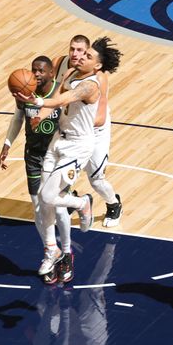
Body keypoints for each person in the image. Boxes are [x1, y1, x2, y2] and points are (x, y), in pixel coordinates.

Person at [17, 37, 122, 282]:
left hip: (78, 145)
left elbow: (64, 99)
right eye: (81, 54)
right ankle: (51, 249)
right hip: (59, 139)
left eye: (87, 56)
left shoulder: (91, 85)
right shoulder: (71, 72)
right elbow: (57, 94)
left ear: (97, 66)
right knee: (46, 203)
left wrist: (37, 102)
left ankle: (83, 202)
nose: (81, 57)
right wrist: (41, 115)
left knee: (47, 196)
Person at [0, 56, 63, 281]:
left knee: (55, 206)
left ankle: (64, 250)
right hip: (33, 156)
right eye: (34, 70)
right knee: (38, 208)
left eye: (41, 71)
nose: (36, 74)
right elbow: (18, 118)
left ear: (51, 74)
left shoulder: (58, 93)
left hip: (56, 157)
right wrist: (7, 144)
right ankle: (51, 249)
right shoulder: (24, 93)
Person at [54, 35, 123, 228]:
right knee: (58, 167)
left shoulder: (98, 79)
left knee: (96, 179)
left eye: (83, 52)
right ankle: (70, 198)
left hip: (95, 131)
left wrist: (74, 121)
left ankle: (113, 204)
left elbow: (99, 117)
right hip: (72, 129)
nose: (78, 55)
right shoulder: (63, 66)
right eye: (74, 50)